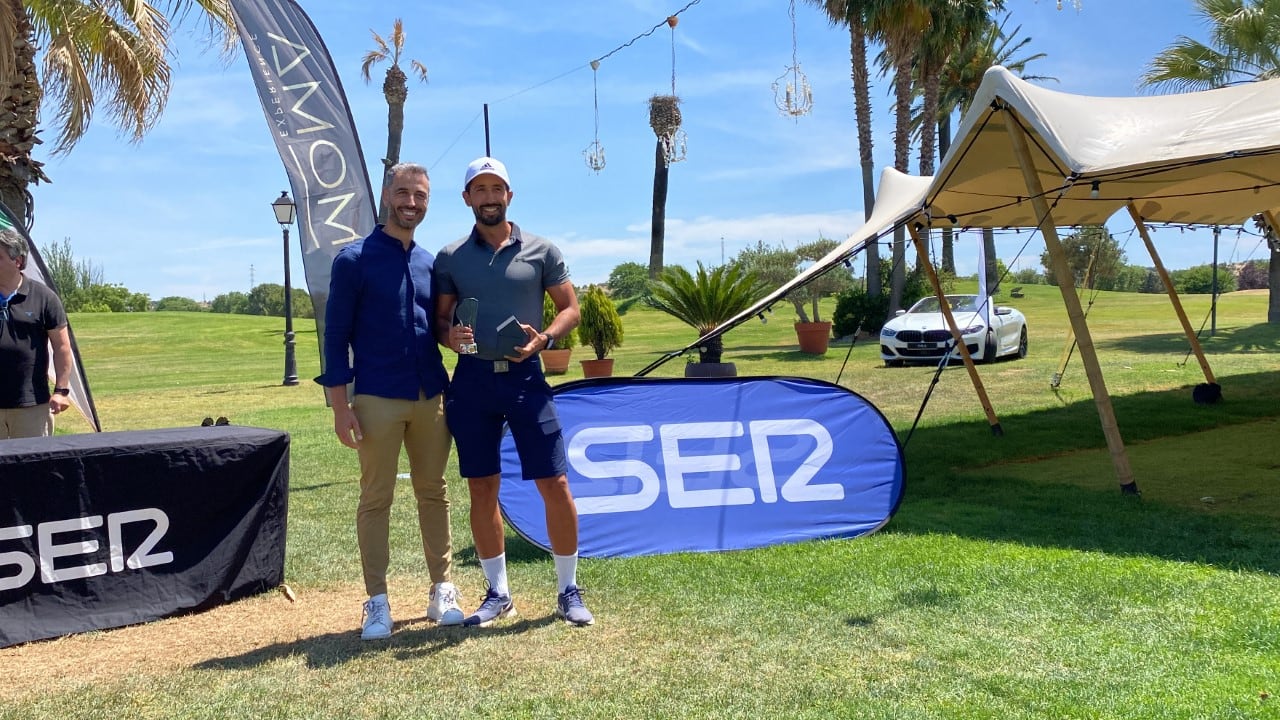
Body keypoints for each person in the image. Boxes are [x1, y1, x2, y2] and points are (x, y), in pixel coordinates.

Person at [433, 156, 594, 627]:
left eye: (495, 188)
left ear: (509, 195)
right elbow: (442, 320)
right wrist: (450, 337)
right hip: (474, 381)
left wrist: (544, 338)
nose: (488, 197)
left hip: (527, 380)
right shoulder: (450, 258)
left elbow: (571, 309)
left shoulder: (542, 250)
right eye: (479, 189)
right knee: (482, 488)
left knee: (554, 482)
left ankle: (568, 589)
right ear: (467, 198)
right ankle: (499, 594)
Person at [314, 163, 463, 640]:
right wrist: (341, 407)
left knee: (434, 493)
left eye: (420, 195)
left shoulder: (429, 264)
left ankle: (442, 590)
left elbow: (436, 327)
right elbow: (335, 337)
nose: (411, 203)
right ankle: (376, 601)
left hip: (430, 396)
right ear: (386, 196)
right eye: (403, 193)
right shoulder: (353, 260)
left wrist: (455, 337)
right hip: (375, 397)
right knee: (376, 499)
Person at [0, 228, 73, 439]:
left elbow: (62, 347)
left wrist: (61, 391)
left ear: (19, 261)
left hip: (31, 406)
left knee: (33, 469)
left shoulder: (44, 297)